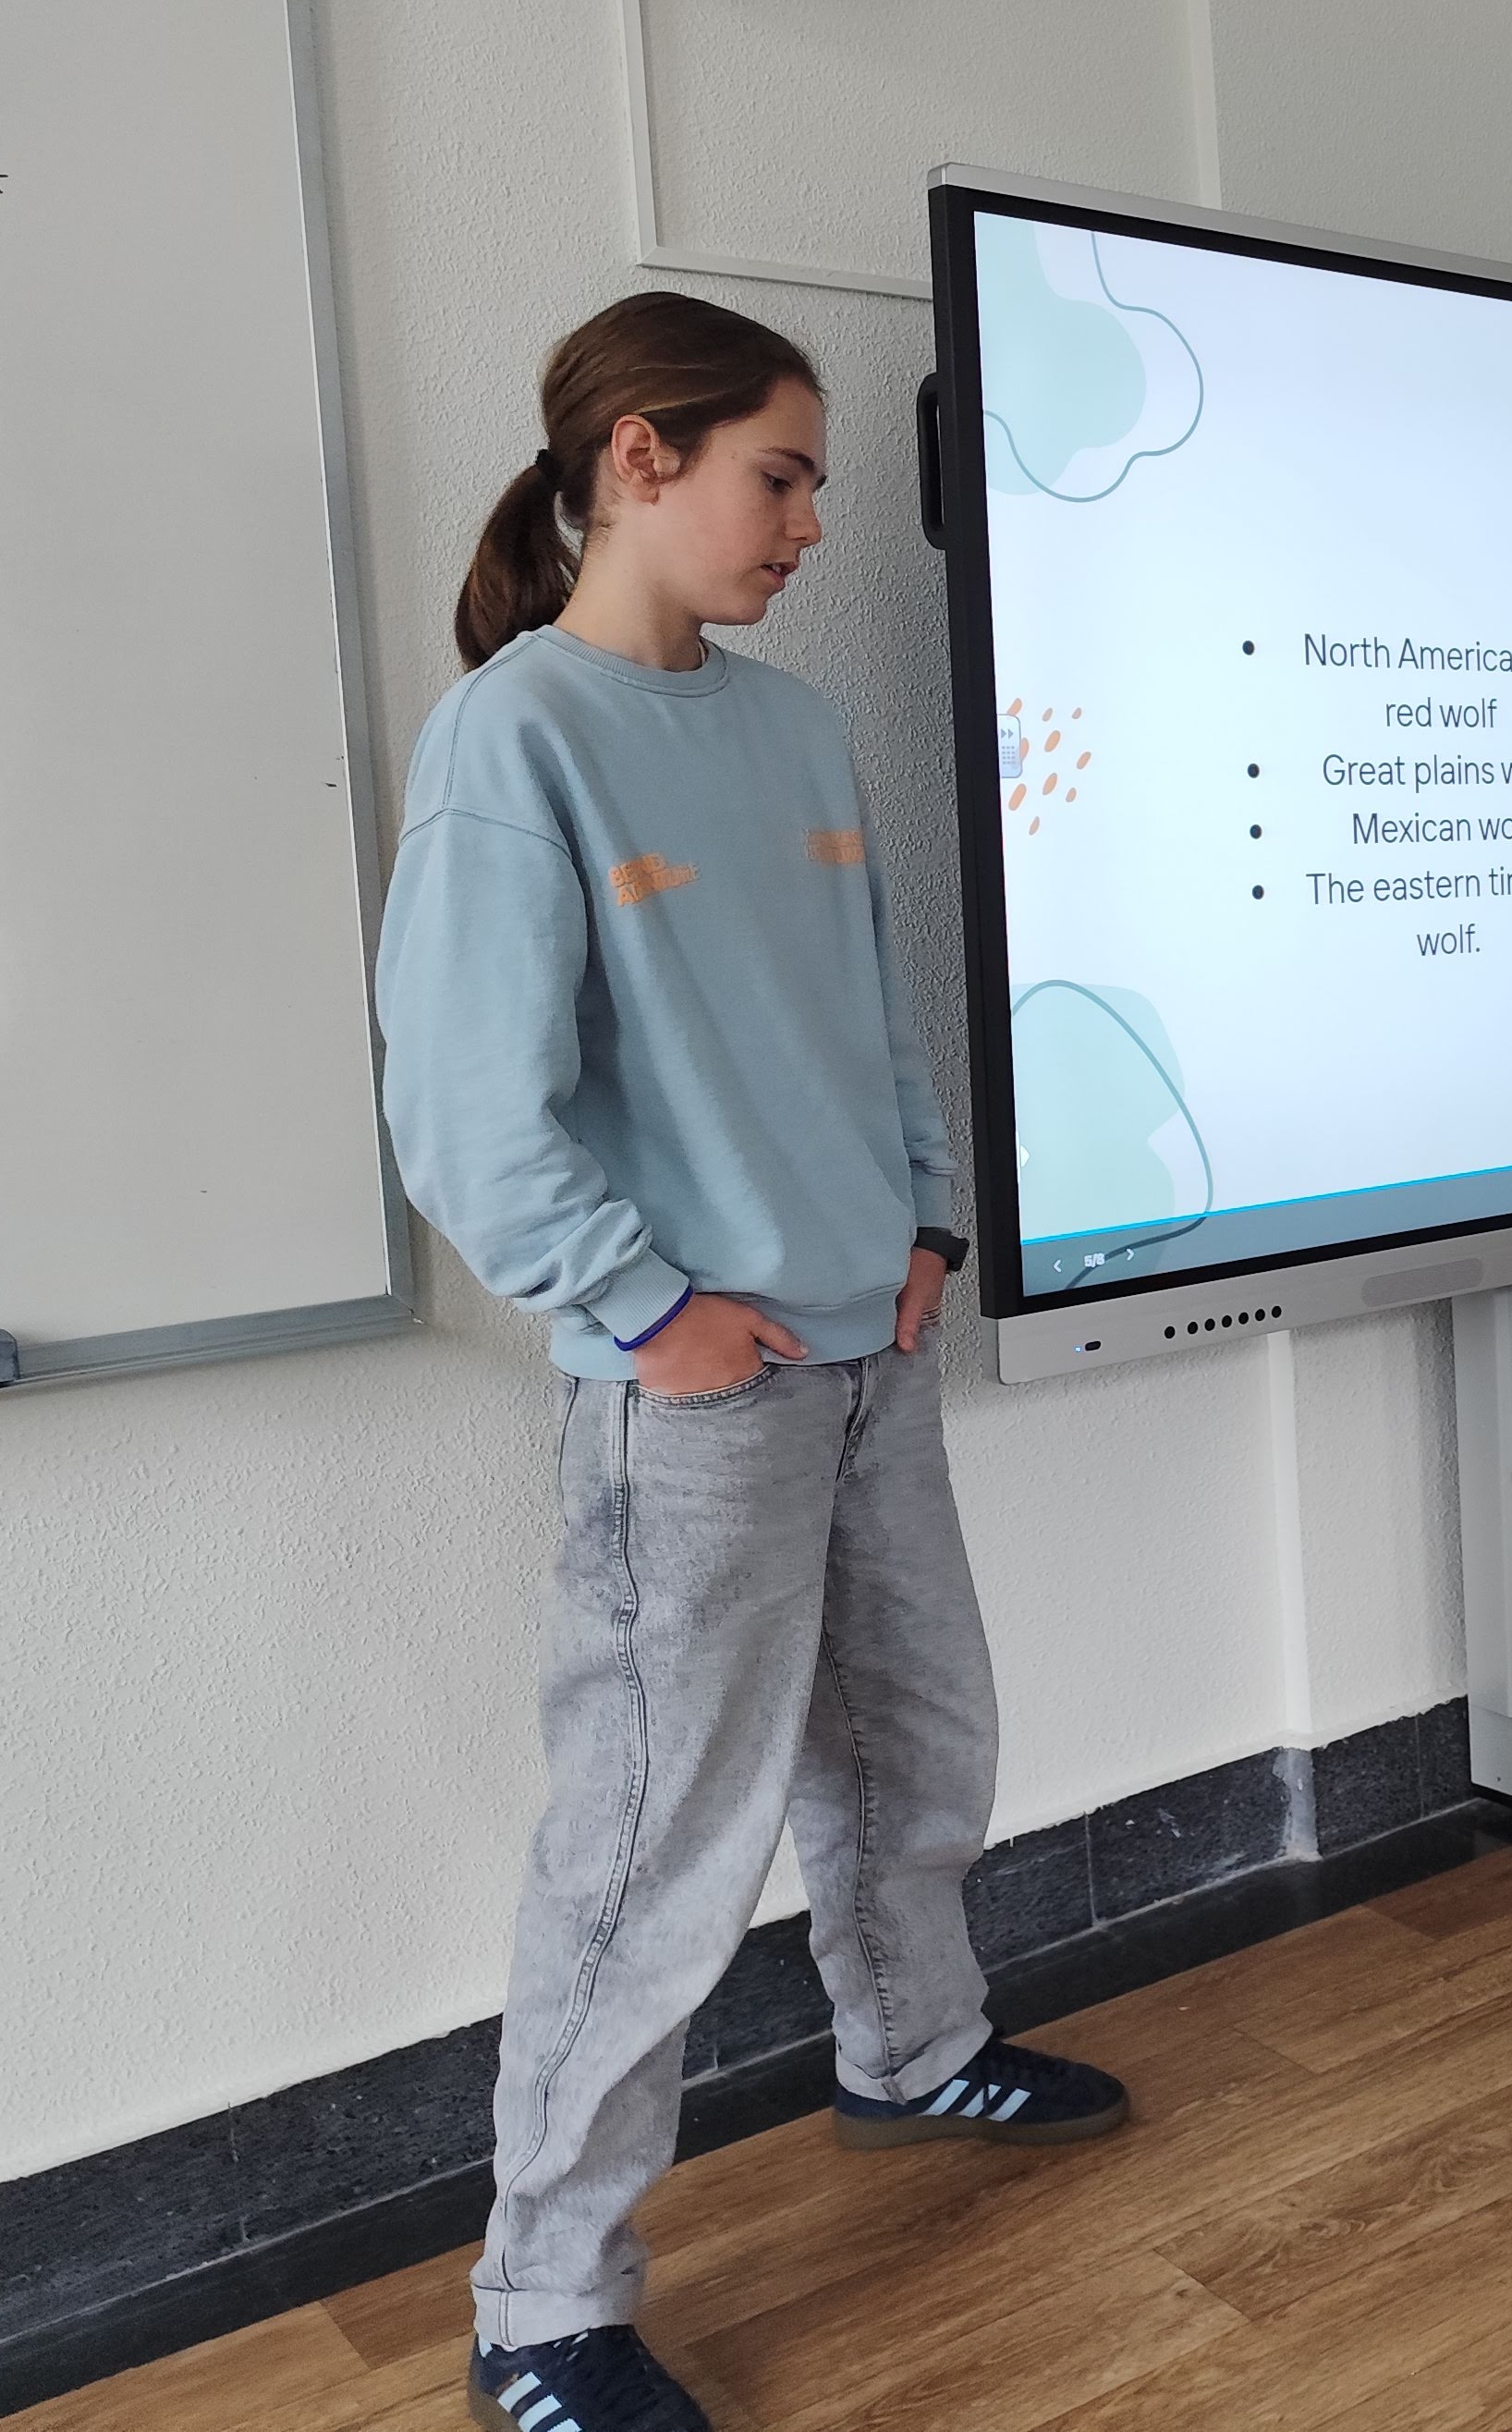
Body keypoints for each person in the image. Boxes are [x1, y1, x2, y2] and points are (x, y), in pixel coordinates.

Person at [377, 293, 1127, 2432]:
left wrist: (928, 1222)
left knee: (916, 1742)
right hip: (691, 1400)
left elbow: (873, 1015)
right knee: (650, 1847)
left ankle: (912, 2053)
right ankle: (543, 2307)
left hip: (872, 1345)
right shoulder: (514, 740)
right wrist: (647, 1310)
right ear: (640, 456)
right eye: (779, 476)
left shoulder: (794, 732)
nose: (808, 524)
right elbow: (464, 1113)